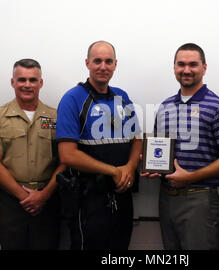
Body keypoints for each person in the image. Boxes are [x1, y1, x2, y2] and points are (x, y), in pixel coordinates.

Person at [142, 43, 219, 250]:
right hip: (167, 198)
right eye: (181, 64)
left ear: (204, 68)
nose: (186, 70)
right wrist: (155, 168)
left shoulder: (218, 107)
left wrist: (190, 177)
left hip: (200, 199)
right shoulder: (165, 107)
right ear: (174, 67)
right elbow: (160, 151)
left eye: (193, 64)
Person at [56, 41, 142, 250]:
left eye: (108, 61)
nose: (103, 66)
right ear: (87, 63)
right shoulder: (72, 98)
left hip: (122, 196)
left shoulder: (122, 96)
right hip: (88, 199)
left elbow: (137, 139)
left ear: (115, 64)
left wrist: (130, 167)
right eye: (97, 61)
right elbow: (67, 155)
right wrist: (113, 171)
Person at [0, 59, 64, 250]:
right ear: (13, 82)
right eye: (22, 80)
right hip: (9, 204)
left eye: (33, 80)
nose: (27, 85)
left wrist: (43, 196)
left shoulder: (56, 118)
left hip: (47, 202)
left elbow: (65, 161)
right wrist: (26, 197)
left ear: (41, 83)